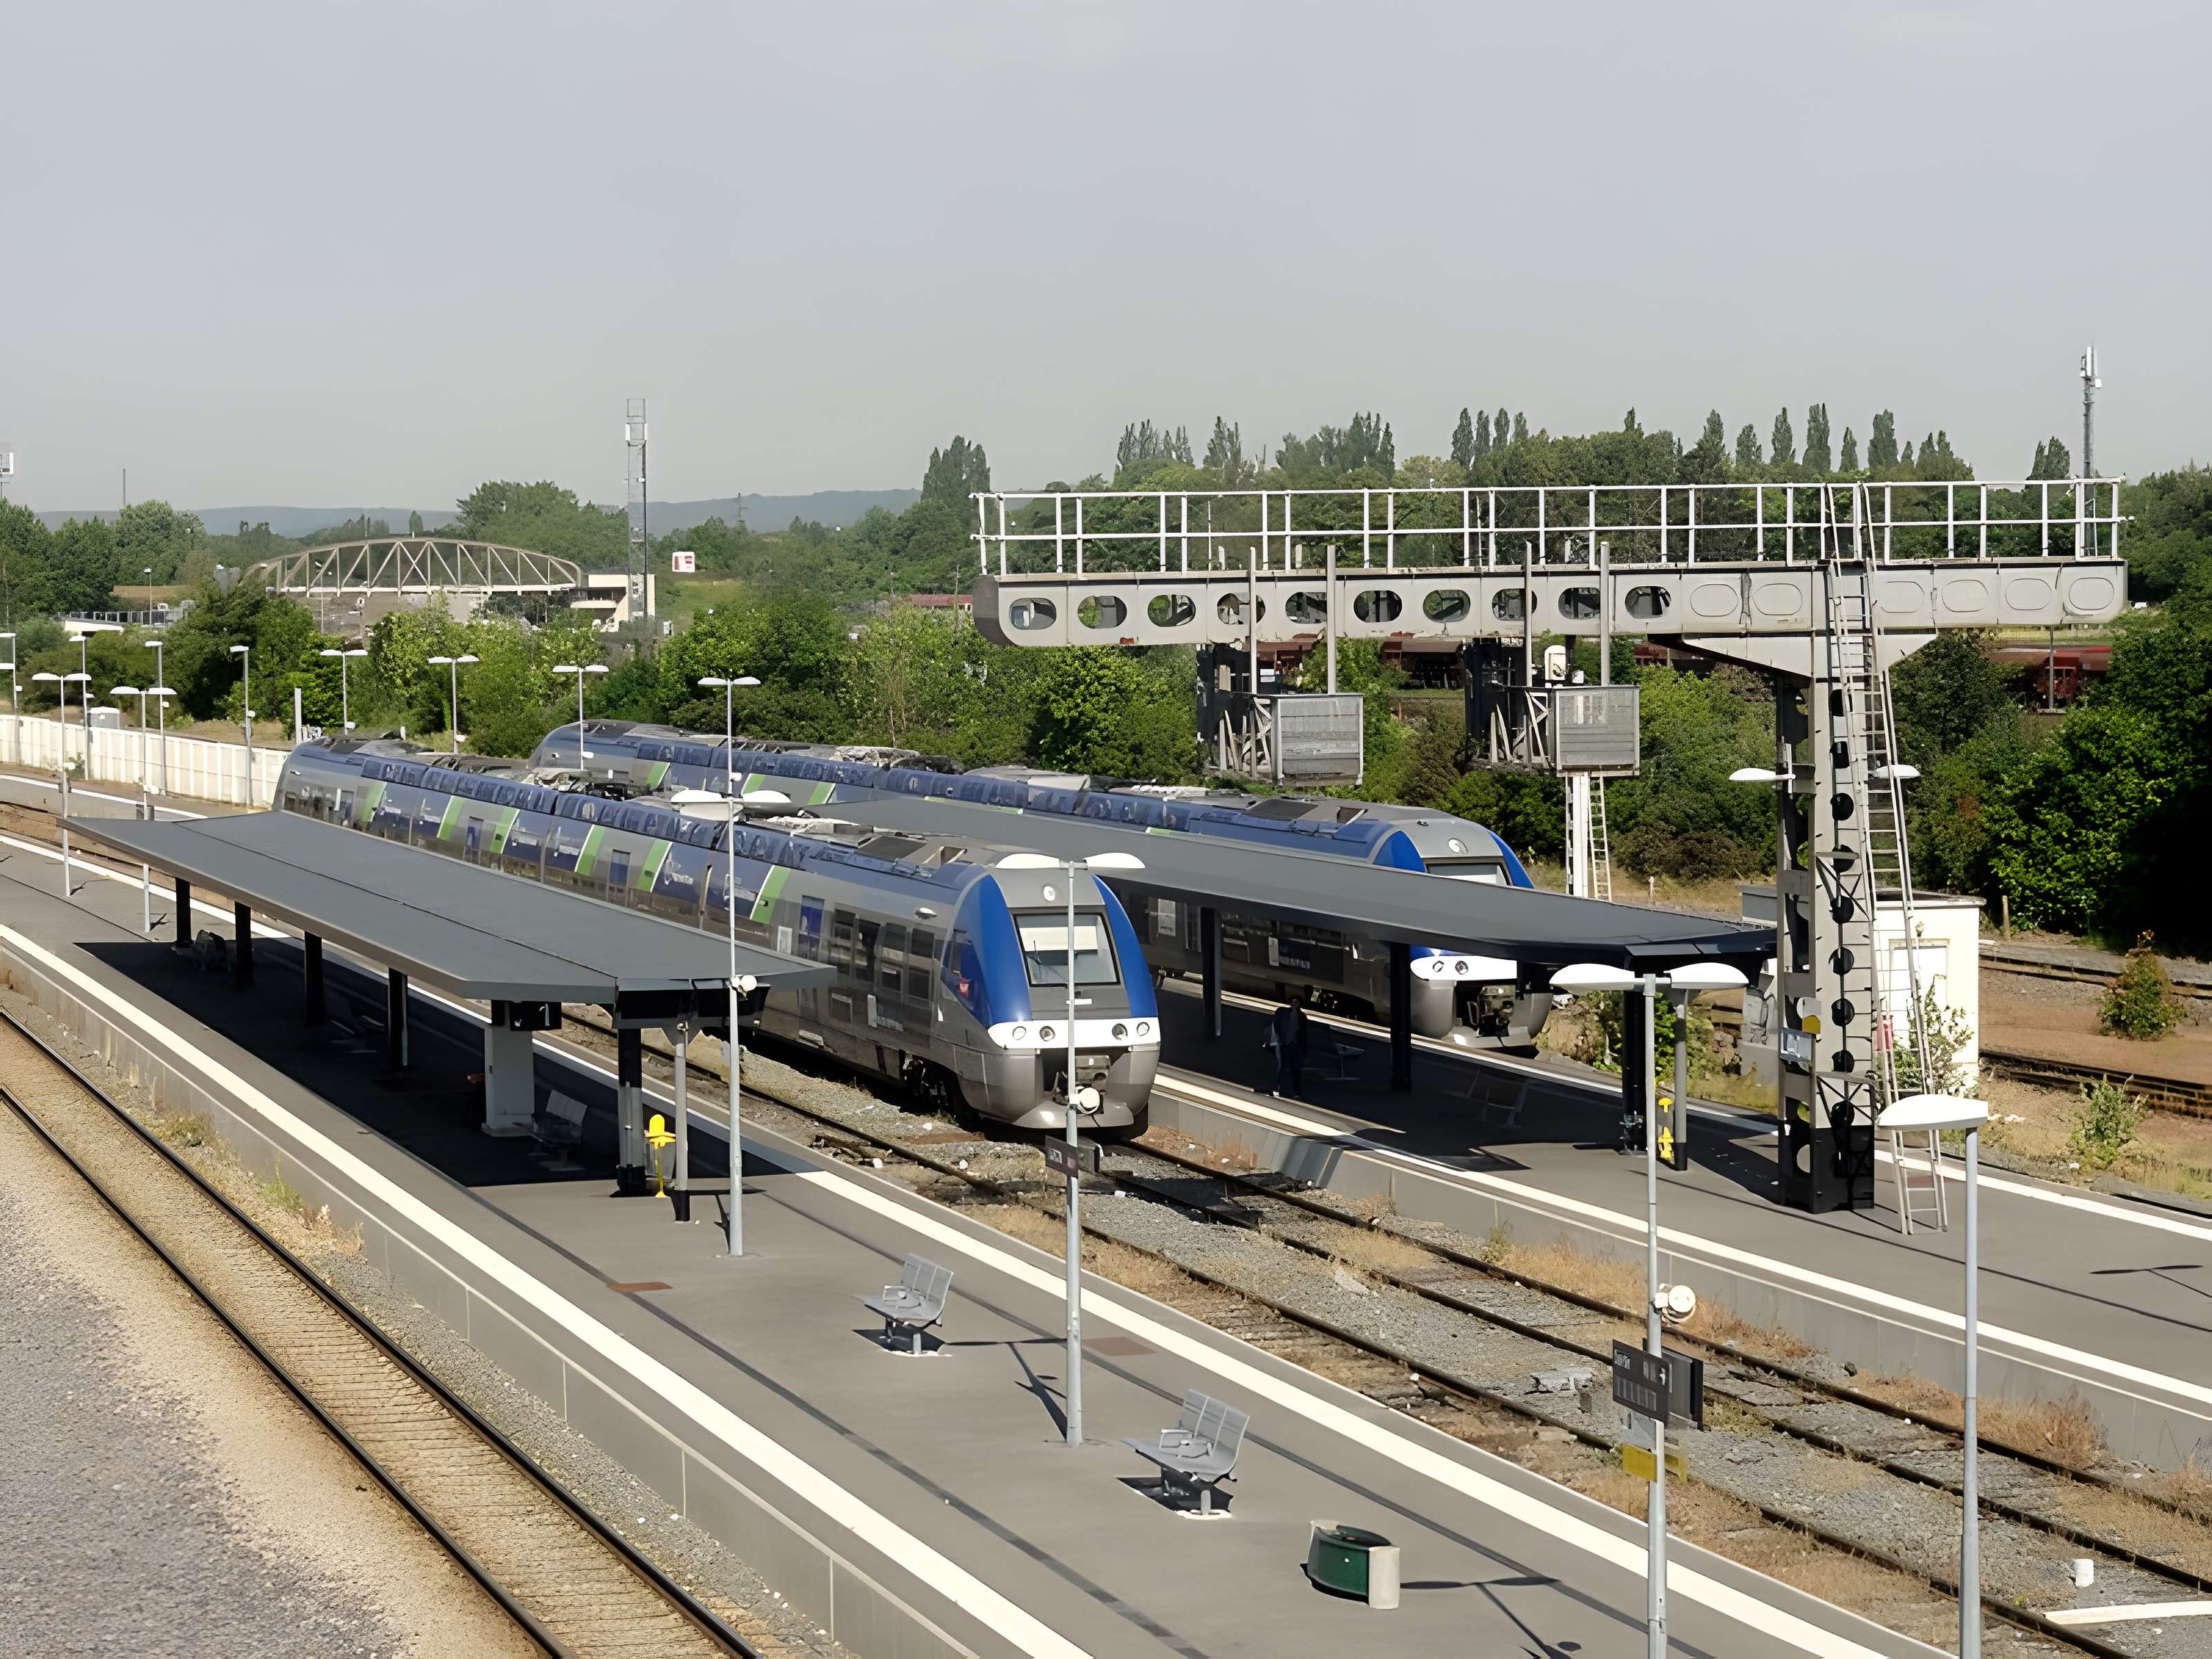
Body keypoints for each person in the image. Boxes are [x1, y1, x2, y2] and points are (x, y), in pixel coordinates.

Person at [1266, 995, 1310, 1099]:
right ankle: (1277, 1087)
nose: (1294, 1004)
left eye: (1297, 1002)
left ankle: (1296, 1091)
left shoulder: (1302, 1016)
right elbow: (1276, 1025)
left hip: (1293, 1045)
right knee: (1280, 1067)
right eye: (1293, 1002)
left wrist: (1303, 1049)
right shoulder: (1282, 1012)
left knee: (1294, 1069)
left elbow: (1303, 1034)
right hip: (1283, 1043)